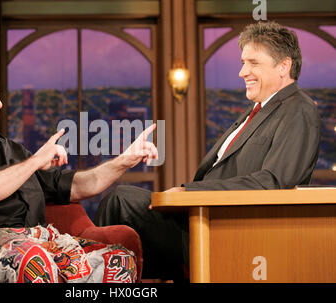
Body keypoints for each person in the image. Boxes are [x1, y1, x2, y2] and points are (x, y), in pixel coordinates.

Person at [94, 21, 322, 281]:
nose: (242, 72)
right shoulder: (256, 111)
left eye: (253, 63)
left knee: (121, 202)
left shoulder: (298, 109)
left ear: (284, 66)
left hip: (228, 229)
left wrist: (188, 192)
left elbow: (274, 182)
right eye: (242, 62)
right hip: (200, 219)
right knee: (120, 212)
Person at [0, 56, 158, 283]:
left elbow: (80, 185)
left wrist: (124, 160)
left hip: (39, 238)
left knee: (120, 260)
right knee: (35, 260)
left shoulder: (10, 150)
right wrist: (35, 161)